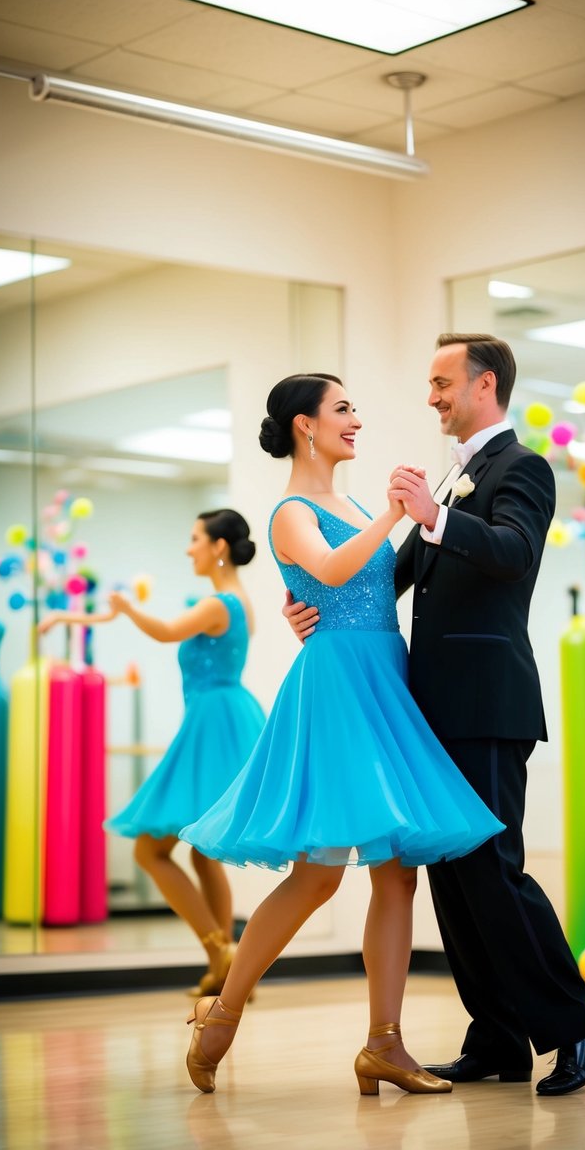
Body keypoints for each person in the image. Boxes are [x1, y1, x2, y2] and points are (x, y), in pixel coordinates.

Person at [288, 336, 585, 1098]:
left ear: (484, 384)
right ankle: (498, 1036)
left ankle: (577, 1028)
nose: (430, 395)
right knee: (453, 877)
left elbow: (511, 553)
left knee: (493, 871)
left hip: (488, 701)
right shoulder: (456, 472)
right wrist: (320, 604)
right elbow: (391, 573)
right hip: (431, 709)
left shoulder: (521, 467)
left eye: (441, 382)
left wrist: (433, 513)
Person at [178, 373, 504, 1097]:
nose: (355, 420)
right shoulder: (292, 509)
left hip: (383, 677)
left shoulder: (348, 503)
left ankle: (383, 1043)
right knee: (319, 874)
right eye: (343, 409)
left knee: (397, 871)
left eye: (354, 408)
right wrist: (390, 516)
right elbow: (326, 568)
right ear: (304, 424)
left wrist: (383, 520)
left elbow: (357, 585)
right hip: (336, 689)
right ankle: (222, 1014)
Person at [39, 509, 264, 997]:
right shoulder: (240, 602)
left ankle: (221, 950)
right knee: (204, 856)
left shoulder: (218, 603)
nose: (189, 548)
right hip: (222, 716)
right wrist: (75, 614)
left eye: (194, 538)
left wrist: (126, 607)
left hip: (212, 722)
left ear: (218, 547)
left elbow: (164, 632)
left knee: (150, 848)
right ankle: (222, 964)